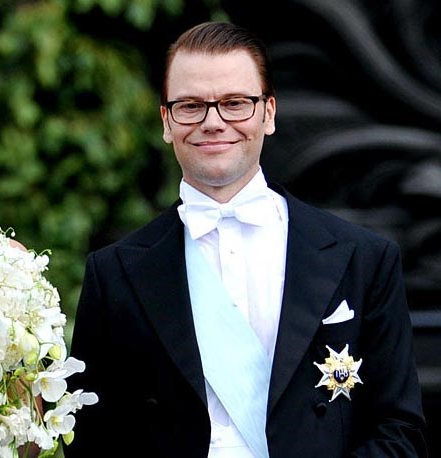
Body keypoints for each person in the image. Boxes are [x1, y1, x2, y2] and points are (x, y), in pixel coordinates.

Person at [67, 21, 427, 457]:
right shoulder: (114, 274)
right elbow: (92, 441)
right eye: (190, 106)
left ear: (268, 113)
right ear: (166, 121)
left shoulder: (364, 259)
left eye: (235, 103)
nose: (213, 122)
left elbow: (399, 430)